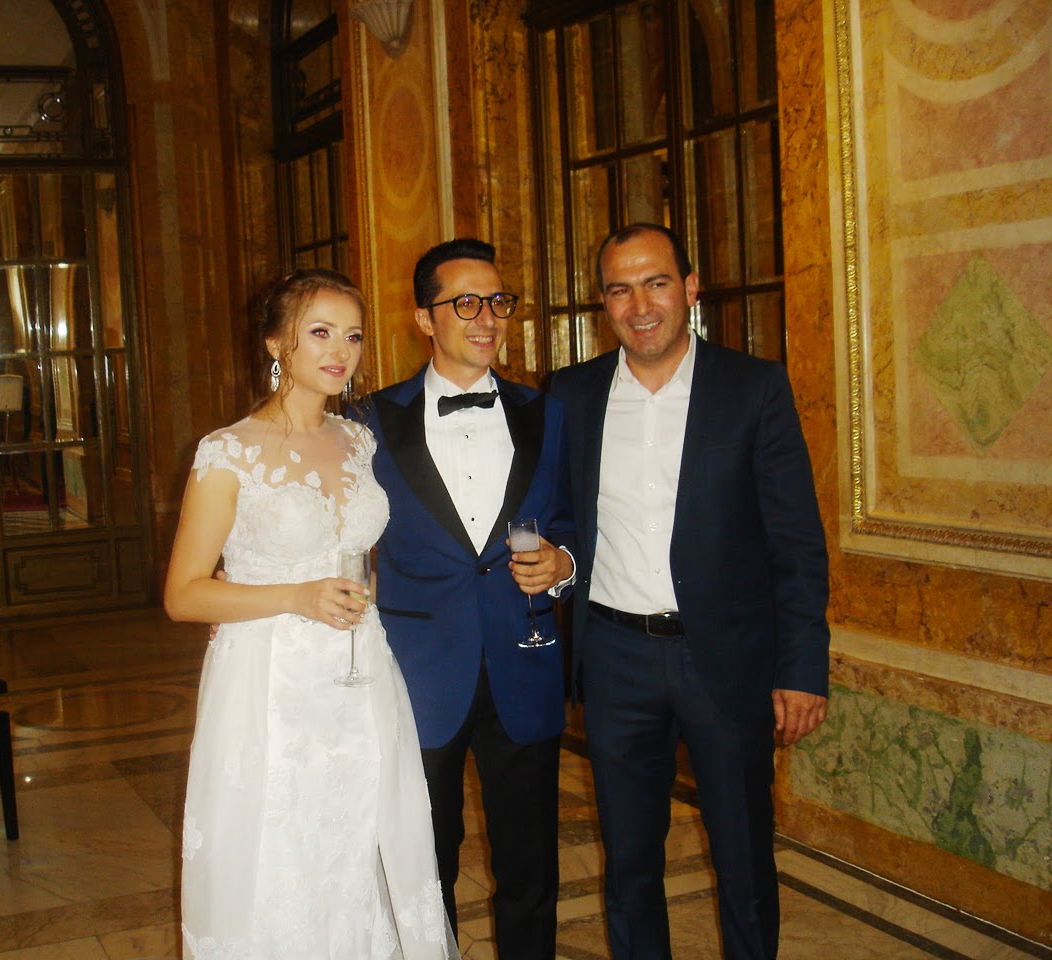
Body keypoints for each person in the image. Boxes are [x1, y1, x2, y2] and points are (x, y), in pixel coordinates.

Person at [549, 223, 830, 960]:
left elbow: (797, 542)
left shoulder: (753, 388)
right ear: (602, 302)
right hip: (615, 659)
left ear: (691, 287)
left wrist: (802, 668)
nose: (640, 305)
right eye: (620, 289)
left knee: (743, 859)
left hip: (726, 659)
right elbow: (562, 519)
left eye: (657, 283)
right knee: (629, 863)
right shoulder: (572, 394)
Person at [163, 269, 458, 959]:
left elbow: (364, 551)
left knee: (357, 841)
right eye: (319, 332)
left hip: (360, 671)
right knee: (281, 851)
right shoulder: (227, 450)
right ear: (276, 343)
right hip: (270, 681)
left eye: (352, 335)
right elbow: (182, 595)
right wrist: (291, 596)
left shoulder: (359, 440)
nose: (340, 351)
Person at [363, 239, 576, 959]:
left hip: (526, 656)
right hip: (418, 672)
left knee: (530, 861)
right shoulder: (370, 421)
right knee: (425, 863)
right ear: (424, 318)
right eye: (464, 303)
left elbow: (573, 521)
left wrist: (563, 562)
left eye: (497, 301)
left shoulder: (547, 414)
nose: (487, 318)